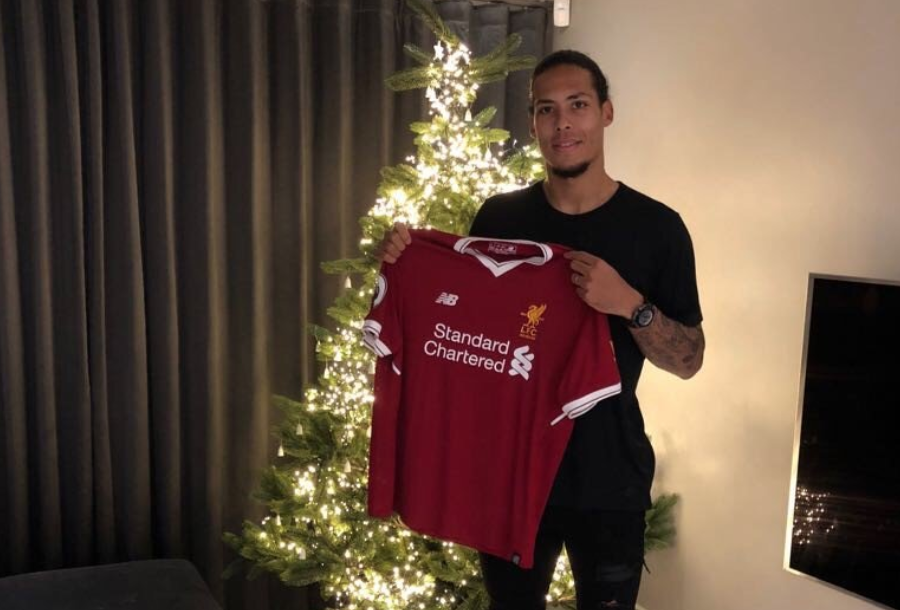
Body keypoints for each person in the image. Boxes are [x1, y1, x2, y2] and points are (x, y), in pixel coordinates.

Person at [376, 50, 704, 610]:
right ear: (532, 123)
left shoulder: (658, 228)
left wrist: (630, 305)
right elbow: (461, 333)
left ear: (606, 112)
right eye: (546, 110)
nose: (562, 124)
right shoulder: (499, 219)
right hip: (510, 474)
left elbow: (689, 359)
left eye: (577, 105)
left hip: (610, 480)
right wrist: (405, 262)